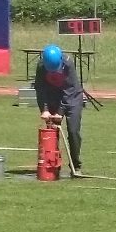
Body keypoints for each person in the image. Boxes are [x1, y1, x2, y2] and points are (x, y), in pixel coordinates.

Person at [35, 44, 84, 176]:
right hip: (53, 97)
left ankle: (76, 166)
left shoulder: (68, 63)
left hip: (73, 97)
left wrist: (60, 112)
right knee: (52, 132)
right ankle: (53, 164)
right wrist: (44, 109)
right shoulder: (41, 66)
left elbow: (69, 91)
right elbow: (40, 89)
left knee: (73, 131)